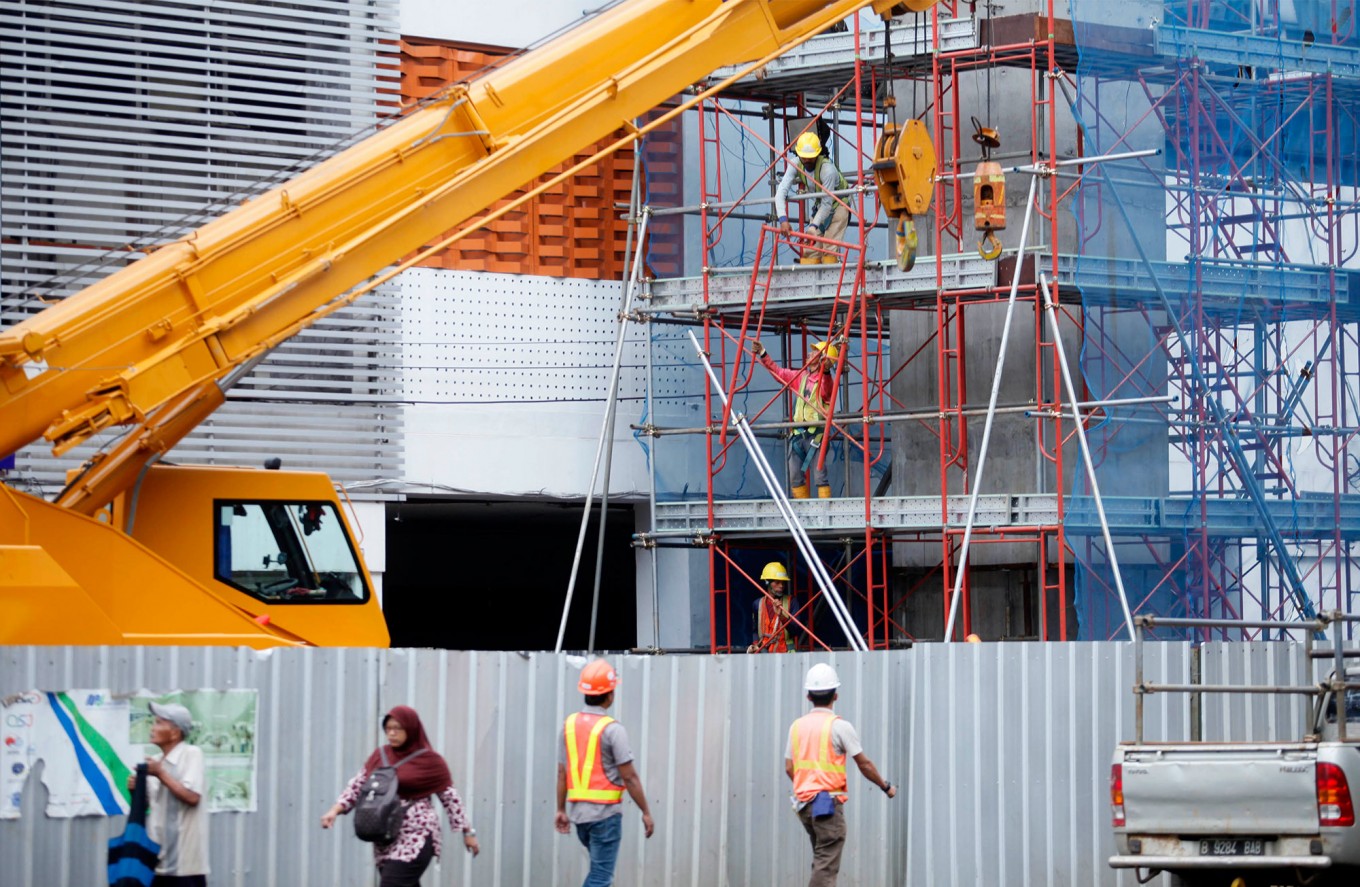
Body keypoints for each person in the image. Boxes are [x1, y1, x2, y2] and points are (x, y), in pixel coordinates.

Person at [321, 706, 479, 887]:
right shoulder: (379, 755)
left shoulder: (431, 761)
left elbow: (451, 800)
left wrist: (468, 832)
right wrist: (334, 811)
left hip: (417, 833)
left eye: (398, 728)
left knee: (392, 883)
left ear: (411, 729)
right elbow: (357, 786)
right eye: (388, 729)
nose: (392, 734)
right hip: (385, 833)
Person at [785, 663, 896, 887]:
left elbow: (789, 767)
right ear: (836, 695)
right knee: (826, 864)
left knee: (822, 857)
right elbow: (864, 764)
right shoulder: (840, 727)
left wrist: (807, 787)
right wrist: (886, 787)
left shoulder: (796, 727)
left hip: (804, 804)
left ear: (808, 696)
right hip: (826, 804)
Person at [555, 659, 654, 887]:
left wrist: (561, 809)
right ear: (609, 694)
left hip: (580, 816)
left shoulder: (568, 726)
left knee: (601, 874)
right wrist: (646, 811)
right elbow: (629, 777)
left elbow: (563, 773)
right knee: (601, 878)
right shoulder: (613, 730)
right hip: (605, 817)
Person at [126, 701, 209, 887]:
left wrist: (160, 773)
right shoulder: (155, 761)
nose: (152, 728)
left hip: (184, 867)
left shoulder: (191, 754)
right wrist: (134, 790)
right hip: (155, 861)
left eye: (158, 723)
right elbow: (148, 806)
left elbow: (192, 797)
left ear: (175, 732)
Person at [749, 337, 839, 498]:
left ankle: (823, 514)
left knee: (820, 476)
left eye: (815, 352)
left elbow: (826, 390)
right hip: (798, 435)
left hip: (816, 436)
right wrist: (763, 353)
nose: (809, 354)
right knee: (795, 477)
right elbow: (779, 373)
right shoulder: (801, 377)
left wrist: (825, 371)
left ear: (823, 359)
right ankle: (803, 515)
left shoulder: (826, 381)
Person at [775, 130, 850, 264]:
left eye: (811, 157)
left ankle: (830, 280)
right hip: (821, 207)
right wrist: (783, 219)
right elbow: (781, 192)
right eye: (804, 157)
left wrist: (813, 225)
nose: (807, 160)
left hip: (838, 206)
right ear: (798, 154)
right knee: (810, 252)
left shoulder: (828, 170)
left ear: (818, 153)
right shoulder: (795, 164)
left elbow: (827, 203)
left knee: (829, 250)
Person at [748, 561, 795, 652]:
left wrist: (781, 616)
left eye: (783, 583)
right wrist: (755, 645)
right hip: (764, 653)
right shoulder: (757, 604)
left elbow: (796, 630)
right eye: (777, 582)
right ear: (767, 582)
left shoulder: (792, 602)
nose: (781, 586)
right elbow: (755, 630)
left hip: (785, 654)